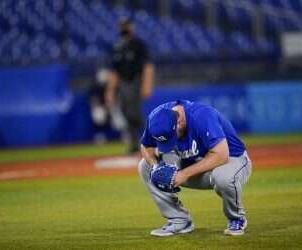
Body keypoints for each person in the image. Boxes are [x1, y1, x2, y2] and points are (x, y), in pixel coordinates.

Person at [138, 100, 252, 237]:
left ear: (179, 121)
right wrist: (156, 166)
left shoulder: (202, 116)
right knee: (145, 167)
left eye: (172, 138)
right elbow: (145, 146)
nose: (170, 143)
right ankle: (179, 220)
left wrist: (184, 174)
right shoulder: (156, 118)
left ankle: (236, 218)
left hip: (232, 160)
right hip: (194, 162)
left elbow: (221, 155)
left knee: (223, 177)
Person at [105, 17, 154, 154]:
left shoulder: (139, 44)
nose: (124, 28)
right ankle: (133, 145)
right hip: (123, 84)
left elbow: (148, 66)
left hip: (136, 81)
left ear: (132, 27)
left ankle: (152, 141)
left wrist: (147, 85)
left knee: (134, 114)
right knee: (126, 114)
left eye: (126, 25)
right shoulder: (117, 47)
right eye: (122, 26)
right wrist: (110, 91)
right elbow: (114, 72)